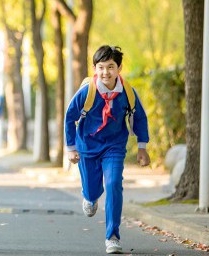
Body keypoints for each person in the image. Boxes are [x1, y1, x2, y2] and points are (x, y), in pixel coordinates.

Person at [64, 45, 150, 254]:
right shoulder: (87, 91)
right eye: (101, 67)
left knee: (113, 184)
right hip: (88, 146)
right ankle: (90, 197)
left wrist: (142, 147)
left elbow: (139, 118)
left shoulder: (127, 92)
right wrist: (71, 148)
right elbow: (69, 117)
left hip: (114, 146)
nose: (105, 72)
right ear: (95, 68)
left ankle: (112, 236)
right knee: (93, 190)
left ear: (119, 68)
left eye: (110, 67)